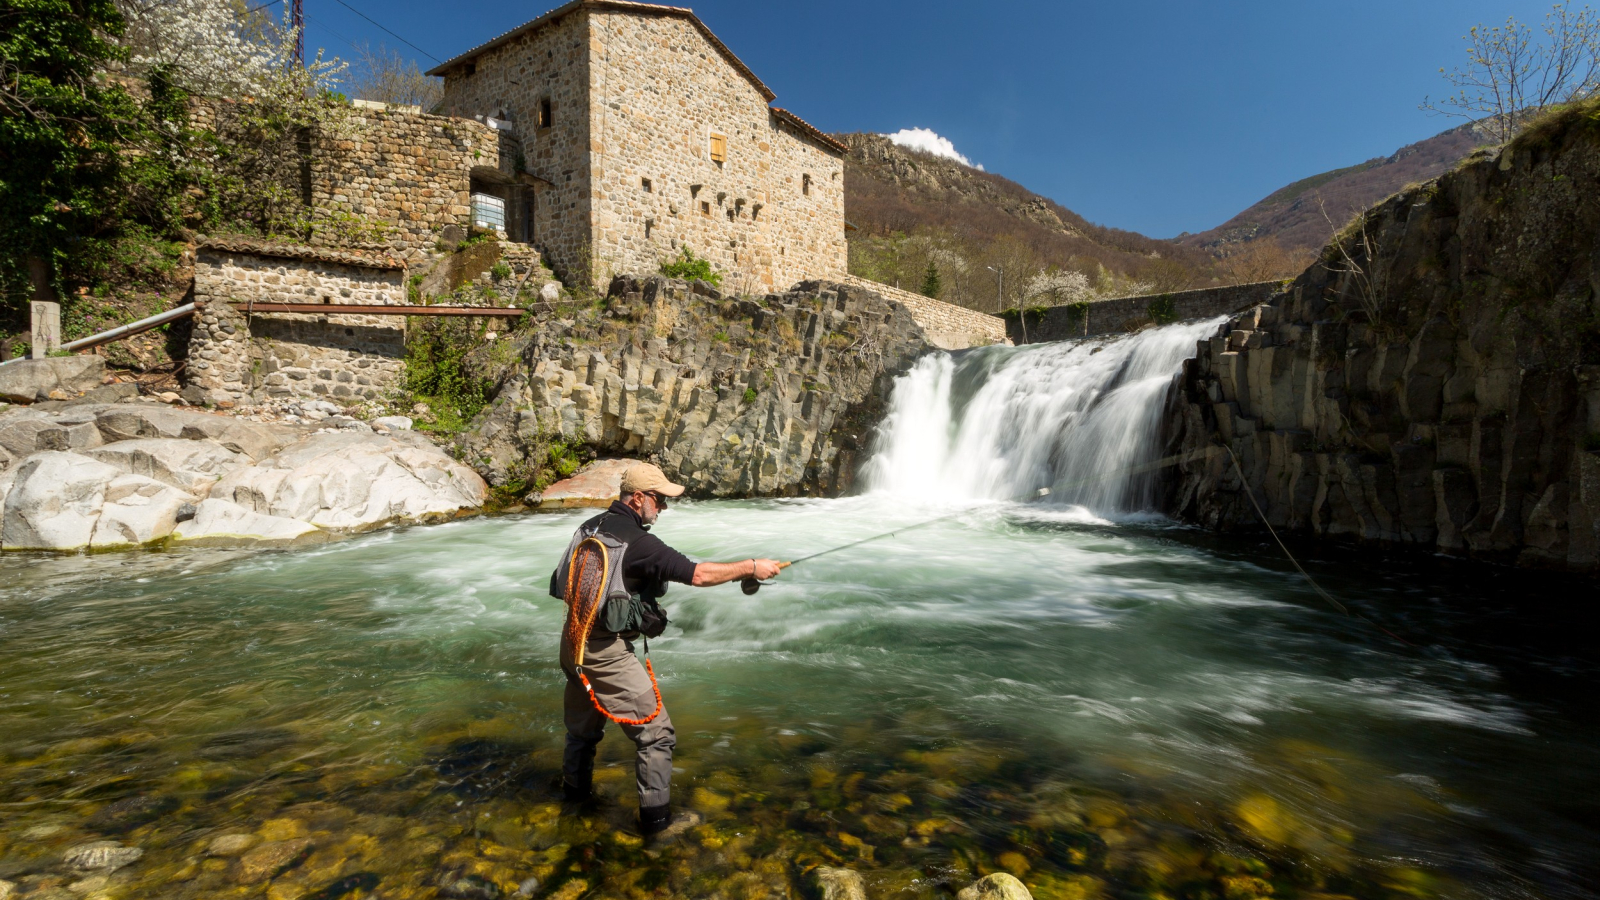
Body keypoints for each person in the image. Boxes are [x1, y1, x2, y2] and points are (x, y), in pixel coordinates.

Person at [549, 462, 783, 836]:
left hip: (571, 642)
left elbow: (563, 583)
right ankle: (656, 826)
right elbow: (699, 574)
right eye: (659, 500)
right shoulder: (640, 543)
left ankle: (574, 803)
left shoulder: (588, 526)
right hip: (604, 652)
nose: (663, 508)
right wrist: (750, 567)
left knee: (582, 731)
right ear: (638, 498)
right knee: (657, 735)